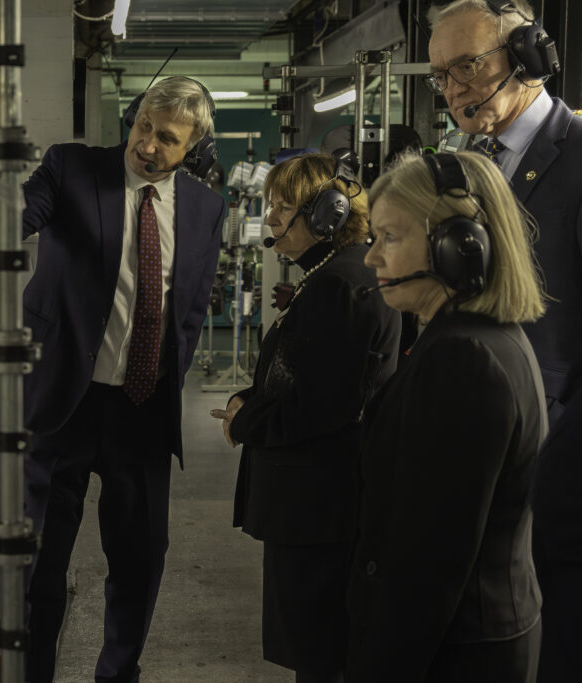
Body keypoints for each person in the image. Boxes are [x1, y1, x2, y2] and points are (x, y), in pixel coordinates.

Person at [0, 76, 225, 683]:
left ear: (193, 151)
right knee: (39, 571)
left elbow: (189, 306)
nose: (149, 145)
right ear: (132, 119)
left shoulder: (208, 208)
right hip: (58, 405)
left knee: (140, 565)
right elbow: (11, 216)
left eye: (167, 139)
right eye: (143, 127)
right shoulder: (73, 169)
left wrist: (167, 380)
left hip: (140, 411)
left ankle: (118, 675)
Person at [346, 151, 546, 682]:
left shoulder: (463, 359)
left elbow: (428, 561)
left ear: (459, 247)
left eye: (389, 237)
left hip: (453, 654)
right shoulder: (485, 339)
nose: (371, 259)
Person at [427, 4, 582, 677]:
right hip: (472, 462)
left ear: (528, 56)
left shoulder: (578, 156)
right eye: (440, 74)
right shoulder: (458, 164)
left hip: (558, 477)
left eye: (469, 64)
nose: (455, 86)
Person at [211, 152, 401, 683]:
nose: (270, 219)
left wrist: (244, 423)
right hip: (321, 501)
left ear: (328, 216)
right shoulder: (334, 274)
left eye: (282, 208)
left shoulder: (338, 284)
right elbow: (308, 372)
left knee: (320, 655)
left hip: (318, 506)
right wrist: (251, 397)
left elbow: (325, 405)